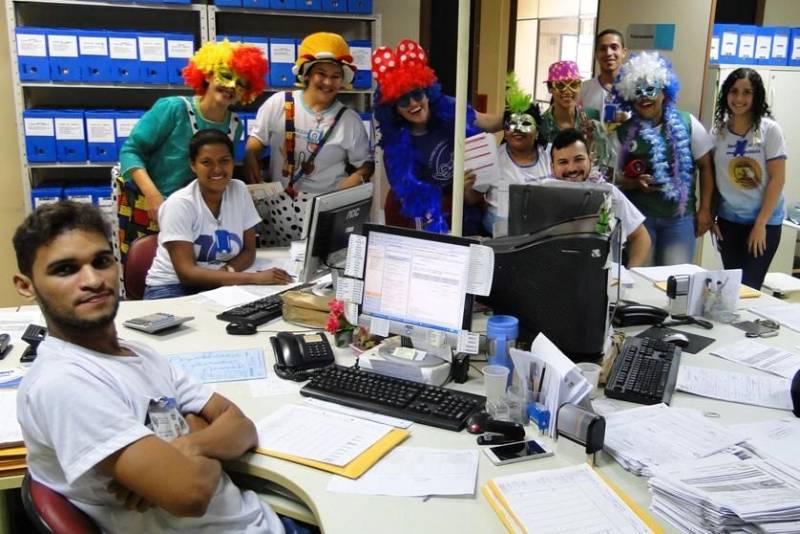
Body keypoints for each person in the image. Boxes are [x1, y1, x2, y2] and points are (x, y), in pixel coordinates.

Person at [12, 201, 289, 533]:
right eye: (65, 269)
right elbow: (192, 493)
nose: (93, 280)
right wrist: (200, 428)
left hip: (256, 518)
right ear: (26, 286)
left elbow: (243, 426)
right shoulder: (64, 382)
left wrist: (187, 445)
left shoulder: (139, 353)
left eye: (101, 262)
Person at [117, 40, 267, 261]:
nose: (232, 86)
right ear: (207, 75)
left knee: (192, 275)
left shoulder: (235, 125)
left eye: (241, 83)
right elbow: (130, 151)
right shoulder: (173, 108)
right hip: (149, 207)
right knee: (147, 272)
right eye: (226, 75)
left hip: (197, 216)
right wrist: (154, 197)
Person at [244, 32, 374, 245]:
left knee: (321, 267)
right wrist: (251, 155)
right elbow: (256, 139)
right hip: (278, 206)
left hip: (325, 208)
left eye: (335, 76)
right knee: (278, 267)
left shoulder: (349, 120)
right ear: (306, 74)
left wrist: (355, 180)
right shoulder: (279, 103)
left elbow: (366, 165)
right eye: (320, 73)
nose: (327, 82)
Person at [371, 39, 502, 234]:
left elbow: (491, 123)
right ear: (393, 109)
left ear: (427, 92)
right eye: (403, 100)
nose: (413, 103)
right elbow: (415, 202)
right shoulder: (395, 151)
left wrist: (515, 113)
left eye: (417, 94)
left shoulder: (450, 110)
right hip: (428, 223)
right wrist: (454, 192)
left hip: (466, 214)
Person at [144, 129, 293, 300]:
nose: (217, 169)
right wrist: (254, 278)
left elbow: (248, 250)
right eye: (207, 162)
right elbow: (187, 273)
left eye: (224, 161)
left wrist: (227, 272)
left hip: (219, 284)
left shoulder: (239, 190)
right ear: (193, 165)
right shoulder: (179, 205)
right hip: (172, 288)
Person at [612, 51, 714, 266]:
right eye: (637, 92)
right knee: (641, 279)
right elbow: (610, 177)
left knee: (676, 281)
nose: (645, 97)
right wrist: (634, 183)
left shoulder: (688, 124)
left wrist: (705, 209)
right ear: (630, 97)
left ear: (664, 92)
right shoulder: (622, 133)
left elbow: (706, 166)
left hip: (680, 219)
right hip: (639, 219)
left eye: (651, 89)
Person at [711, 68, 787, 290]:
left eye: (747, 92)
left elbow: (777, 179)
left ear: (757, 96)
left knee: (749, 287)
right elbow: (715, 177)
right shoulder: (718, 132)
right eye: (734, 92)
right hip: (729, 222)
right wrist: (713, 214)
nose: (739, 99)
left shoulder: (769, 130)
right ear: (726, 94)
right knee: (732, 288)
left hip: (764, 223)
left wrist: (760, 224)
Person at [548, 128, 651, 267]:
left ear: (590, 159)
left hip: (601, 276)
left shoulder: (608, 192)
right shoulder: (541, 195)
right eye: (563, 162)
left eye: (578, 159)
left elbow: (641, 237)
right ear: (552, 167)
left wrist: (629, 275)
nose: (571, 168)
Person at [481, 73, 550, 237]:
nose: (517, 129)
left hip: (542, 236)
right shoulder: (492, 158)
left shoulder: (551, 155)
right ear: (504, 131)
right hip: (499, 238)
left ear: (537, 131)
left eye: (526, 123)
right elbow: (472, 199)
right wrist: (466, 187)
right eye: (512, 124)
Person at [539, 60, 613, 175]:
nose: (568, 91)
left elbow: (604, 165)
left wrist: (591, 144)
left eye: (574, 84)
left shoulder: (592, 121)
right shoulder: (541, 125)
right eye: (560, 85)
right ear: (550, 88)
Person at [579, 29, 629, 126]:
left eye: (614, 47)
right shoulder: (584, 89)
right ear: (596, 54)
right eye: (602, 49)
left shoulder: (635, 89)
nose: (608, 53)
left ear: (624, 52)